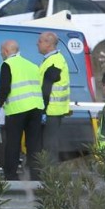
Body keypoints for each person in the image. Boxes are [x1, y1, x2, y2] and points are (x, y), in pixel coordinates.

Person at [0, 40, 45, 180]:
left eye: (1, 51)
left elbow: (4, 88)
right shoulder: (32, 65)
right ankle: (36, 174)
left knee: (13, 143)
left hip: (17, 109)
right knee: (33, 143)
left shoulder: (7, 64)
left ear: (5, 51)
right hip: (36, 109)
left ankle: (11, 175)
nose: (0, 54)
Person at [37, 32, 70, 164]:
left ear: (49, 44)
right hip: (54, 110)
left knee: (49, 146)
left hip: (51, 110)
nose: (37, 43)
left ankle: (50, 177)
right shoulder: (54, 59)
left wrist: (43, 110)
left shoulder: (54, 61)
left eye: (40, 41)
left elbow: (47, 88)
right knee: (49, 145)